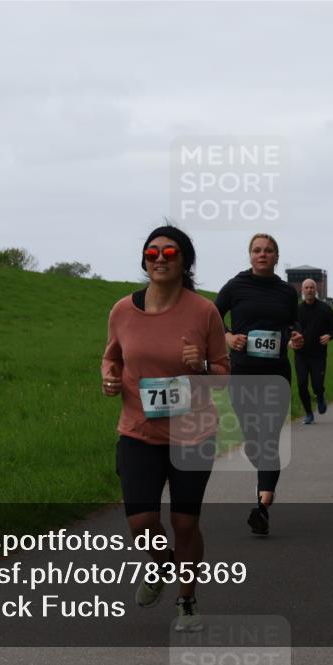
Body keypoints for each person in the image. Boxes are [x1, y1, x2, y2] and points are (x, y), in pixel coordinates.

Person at [102, 225, 230, 631]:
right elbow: (111, 358)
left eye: (170, 252)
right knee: (141, 524)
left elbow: (223, 376)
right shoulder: (123, 310)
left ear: (185, 261)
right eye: (152, 252)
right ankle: (163, 565)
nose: (160, 258)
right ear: (144, 260)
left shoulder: (203, 311)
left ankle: (187, 600)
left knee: (185, 522)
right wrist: (108, 377)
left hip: (193, 434)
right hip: (139, 431)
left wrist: (202, 366)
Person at [215, 233, 304, 536]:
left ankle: (262, 506)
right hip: (243, 371)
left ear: (277, 257)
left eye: (268, 251)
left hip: (276, 373)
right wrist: (228, 336)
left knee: (268, 438)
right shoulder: (236, 286)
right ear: (250, 255)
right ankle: (263, 480)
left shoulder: (286, 292)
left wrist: (295, 335)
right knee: (253, 439)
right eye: (257, 250)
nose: (262, 255)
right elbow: (213, 317)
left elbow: (293, 323)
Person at [293, 278, 333, 425]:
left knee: (317, 384)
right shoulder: (297, 310)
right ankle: (308, 413)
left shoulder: (325, 308)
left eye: (312, 287)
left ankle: (320, 396)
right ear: (302, 290)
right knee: (301, 384)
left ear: (316, 290)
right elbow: (290, 329)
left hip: (318, 354)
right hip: (301, 354)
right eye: (306, 288)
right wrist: (291, 339)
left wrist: (329, 335)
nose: (309, 290)